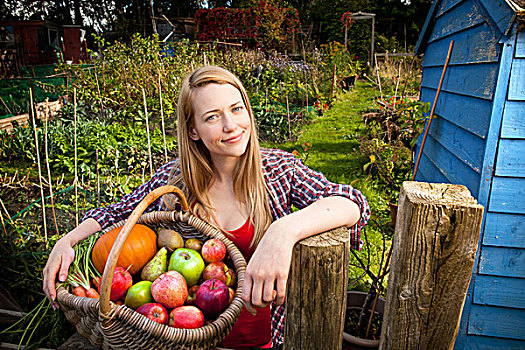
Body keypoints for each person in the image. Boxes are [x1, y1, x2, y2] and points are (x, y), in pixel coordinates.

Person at [43, 65, 370, 349]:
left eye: (237, 109)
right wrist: (68, 240)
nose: (231, 125)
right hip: (189, 339)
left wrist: (282, 231)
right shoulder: (176, 181)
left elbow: (353, 202)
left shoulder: (278, 170)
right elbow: (119, 211)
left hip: (271, 337)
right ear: (193, 131)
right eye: (213, 117)